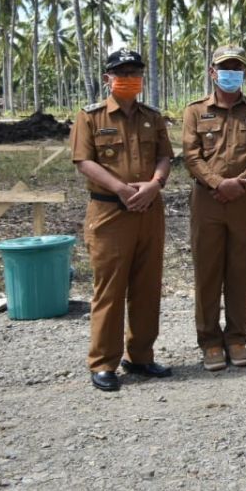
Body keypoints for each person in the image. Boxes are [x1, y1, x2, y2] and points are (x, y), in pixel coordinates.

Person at [70, 49, 173, 392]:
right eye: (122, 72)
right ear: (107, 78)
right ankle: (103, 363)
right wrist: (121, 189)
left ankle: (141, 356)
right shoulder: (91, 117)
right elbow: (84, 160)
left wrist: (155, 184)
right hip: (109, 213)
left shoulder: (152, 117)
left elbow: (164, 156)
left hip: (149, 211)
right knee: (109, 290)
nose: (129, 78)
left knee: (147, 287)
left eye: (135, 72)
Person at [181, 46, 246, 371]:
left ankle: (236, 338)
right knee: (207, 271)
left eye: (237, 67)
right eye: (225, 67)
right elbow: (191, 156)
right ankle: (209, 341)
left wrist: (241, 183)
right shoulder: (195, 111)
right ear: (212, 72)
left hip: (245, 200)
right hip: (208, 200)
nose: (231, 72)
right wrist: (218, 183)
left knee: (240, 269)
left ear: (244, 74)